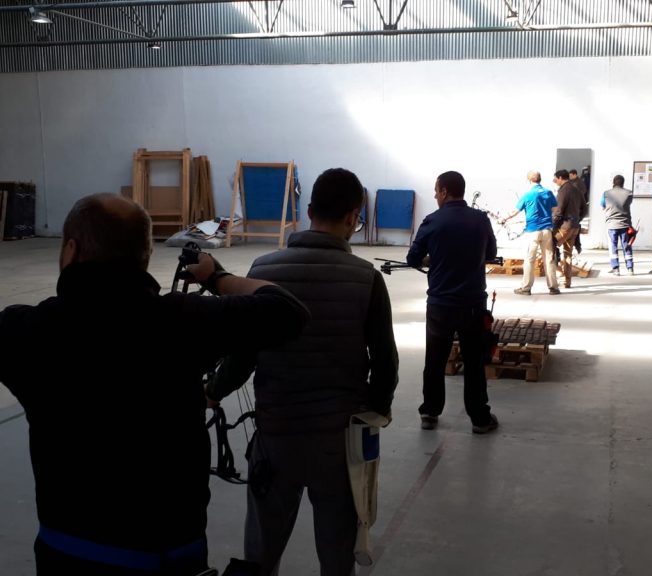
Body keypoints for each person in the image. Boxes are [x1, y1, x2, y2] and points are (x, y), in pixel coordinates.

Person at [0, 193, 311, 576]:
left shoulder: (30, 331)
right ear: (145, 256)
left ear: (71, 250)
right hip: (172, 559)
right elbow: (285, 308)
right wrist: (216, 276)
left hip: (68, 558)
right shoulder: (184, 321)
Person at [207, 169, 399, 576]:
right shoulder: (366, 279)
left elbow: (243, 356)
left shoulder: (262, 270)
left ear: (309, 211)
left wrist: (213, 391)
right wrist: (374, 413)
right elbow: (386, 362)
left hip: (276, 436)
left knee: (261, 551)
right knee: (337, 553)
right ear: (353, 217)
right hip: (339, 444)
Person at [407, 170, 499, 434]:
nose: (436, 196)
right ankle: (480, 419)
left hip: (441, 304)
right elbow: (491, 253)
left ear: (445, 191)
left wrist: (431, 259)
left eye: (437, 191)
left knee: (435, 360)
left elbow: (413, 258)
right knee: (474, 362)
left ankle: (430, 412)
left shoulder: (432, 221)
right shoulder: (480, 220)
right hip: (472, 304)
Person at [499, 170, 560, 294]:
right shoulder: (548, 193)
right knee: (549, 259)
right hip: (547, 230)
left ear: (529, 180)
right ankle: (553, 287)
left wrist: (503, 218)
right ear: (540, 179)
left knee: (529, 260)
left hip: (532, 231)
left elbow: (515, 212)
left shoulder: (527, 195)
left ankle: (526, 288)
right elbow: (555, 209)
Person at [552, 169, 584, 288]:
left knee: (550, 247)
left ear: (560, 178)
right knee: (568, 254)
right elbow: (584, 208)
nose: (554, 181)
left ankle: (558, 276)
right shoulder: (576, 189)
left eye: (556, 178)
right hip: (574, 227)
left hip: (565, 227)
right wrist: (577, 219)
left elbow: (558, 210)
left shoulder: (563, 190)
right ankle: (567, 281)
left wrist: (553, 225)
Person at [600, 174, 634, 275]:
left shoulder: (606, 193)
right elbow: (628, 204)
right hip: (625, 224)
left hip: (611, 224)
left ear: (613, 182)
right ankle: (630, 268)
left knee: (613, 246)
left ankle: (616, 269)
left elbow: (602, 205)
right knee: (627, 246)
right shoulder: (629, 193)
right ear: (623, 183)